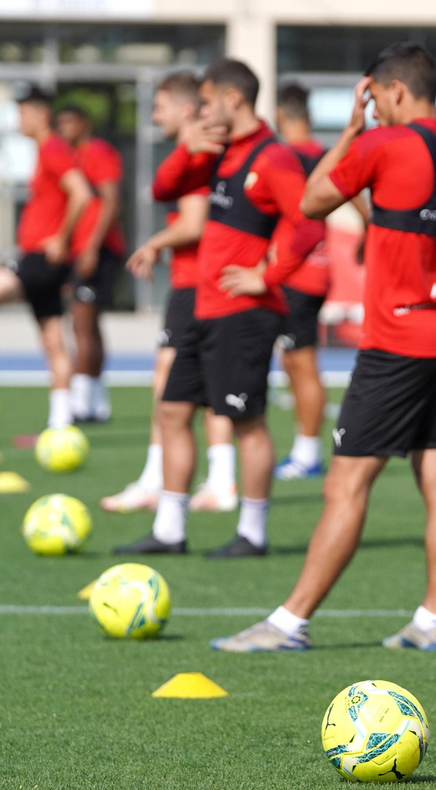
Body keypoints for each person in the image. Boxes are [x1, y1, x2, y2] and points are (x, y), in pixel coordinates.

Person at [210, 42, 436, 654]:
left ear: (390, 92)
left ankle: (288, 624)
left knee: (346, 486)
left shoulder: (380, 145)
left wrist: (349, 132)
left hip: (396, 343)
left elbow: (310, 203)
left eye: (376, 99)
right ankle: (432, 621)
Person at [114, 59, 315, 558]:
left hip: (245, 313)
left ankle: (252, 533)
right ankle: (169, 529)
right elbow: (162, 189)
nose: (199, 112)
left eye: (205, 102)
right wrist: (185, 150)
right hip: (202, 309)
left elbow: (308, 224)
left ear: (232, 100)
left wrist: (265, 276)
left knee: (246, 421)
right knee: (172, 410)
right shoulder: (216, 151)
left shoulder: (273, 157)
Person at [100, 71, 238, 515]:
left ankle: (161, 480)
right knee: (204, 387)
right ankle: (214, 481)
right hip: (199, 285)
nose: (154, 115)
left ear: (184, 110)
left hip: (197, 286)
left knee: (172, 384)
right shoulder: (192, 156)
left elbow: (195, 225)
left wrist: (155, 242)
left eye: (159, 107)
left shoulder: (198, 157)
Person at [0, 86, 92, 432]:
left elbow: (83, 193)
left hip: (40, 259)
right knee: (53, 340)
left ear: (40, 115)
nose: (19, 121)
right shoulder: (46, 151)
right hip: (46, 261)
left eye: (22, 113)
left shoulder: (53, 148)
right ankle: (61, 425)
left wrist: (60, 237)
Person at [270, 82, 332, 481]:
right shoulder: (326, 157)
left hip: (295, 271)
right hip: (316, 269)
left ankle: (308, 453)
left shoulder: (282, 158)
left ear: (280, 115)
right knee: (293, 362)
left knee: (302, 363)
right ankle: (303, 448)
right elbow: (358, 200)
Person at [53, 104, 126, 425]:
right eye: (61, 123)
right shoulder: (72, 156)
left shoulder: (98, 152)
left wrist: (92, 247)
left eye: (70, 121)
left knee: (82, 323)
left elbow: (111, 199)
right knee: (88, 324)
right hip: (80, 250)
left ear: (85, 122)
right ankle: (97, 401)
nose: (65, 127)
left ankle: (81, 401)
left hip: (97, 249)